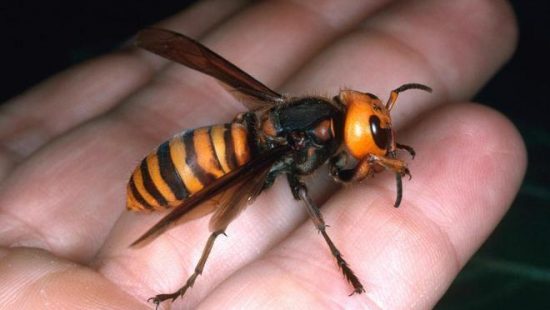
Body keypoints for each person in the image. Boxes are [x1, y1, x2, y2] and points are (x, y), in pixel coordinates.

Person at [0, 0, 524, 308]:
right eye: (377, 132)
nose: (378, 138)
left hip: (222, 142)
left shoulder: (315, 118)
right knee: (222, 215)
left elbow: (346, 168)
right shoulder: (312, 138)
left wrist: (378, 158)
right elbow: (338, 179)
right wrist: (342, 237)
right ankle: (190, 280)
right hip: (195, 169)